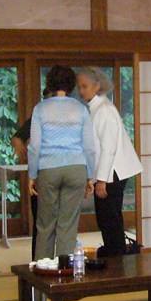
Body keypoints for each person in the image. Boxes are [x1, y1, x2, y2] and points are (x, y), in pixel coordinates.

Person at [27, 66, 97, 260]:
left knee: (46, 225)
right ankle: (64, 277)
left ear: (49, 83)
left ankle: (43, 275)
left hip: (48, 169)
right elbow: (90, 146)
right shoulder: (81, 109)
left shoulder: (40, 108)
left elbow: (34, 146)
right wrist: (91, 176)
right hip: (76, 169)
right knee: (68, 225)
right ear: (71, 85)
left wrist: (32, 175)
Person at [76, 66, 142, 255]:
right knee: (107, 217)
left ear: (97, 86)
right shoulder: (94, 109)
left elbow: (108, 149)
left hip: (113, 171)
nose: (81, 91)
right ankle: (115, 253)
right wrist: (92, 178)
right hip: (106, 171)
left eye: (85, 86)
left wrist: (101, 180)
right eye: (79, 87)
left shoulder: (104, 110)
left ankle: (116, 255)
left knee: (109, 217)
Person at [10, 117, 38, 258]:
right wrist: (20, 145)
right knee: (39, 221)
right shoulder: (37, 117)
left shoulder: (72, 115)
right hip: (39, 175)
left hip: (62, 172)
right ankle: (38, 259)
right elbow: (16, 138)